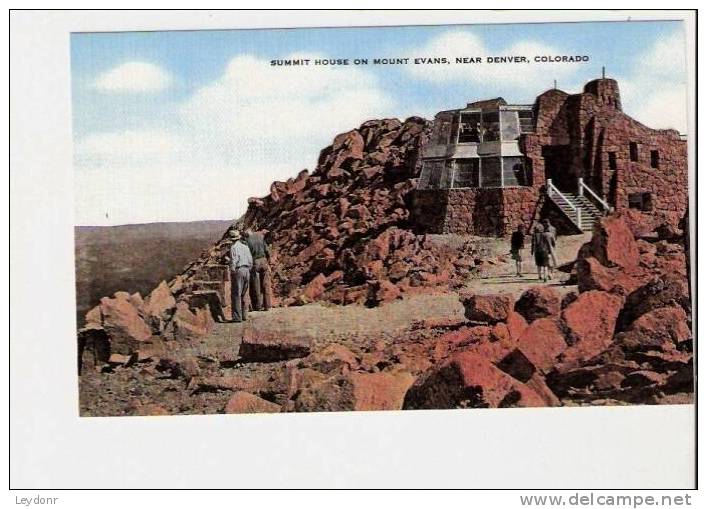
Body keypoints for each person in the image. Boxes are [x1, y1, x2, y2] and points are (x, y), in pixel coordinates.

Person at [242, 229, 273, 312]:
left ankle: (258, 306)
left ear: (247, 234)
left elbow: (247, 254)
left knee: (256, 285)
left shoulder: (247, 240)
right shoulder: (260, 237)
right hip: (264, 261)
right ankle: (268, 305)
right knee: (266, 284)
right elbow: (267, 251)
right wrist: (268, 261)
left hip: (254, 262)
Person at [228, 230, 253, 323]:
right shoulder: (245, 246)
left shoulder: (233, 248)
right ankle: (244, 315)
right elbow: (250, 260)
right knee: (244, 293)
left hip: (239, 270)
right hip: (247, 269)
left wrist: (232, 271)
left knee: (236, 294)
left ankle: (237, 317)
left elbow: (234, 260)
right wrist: (248, 269)